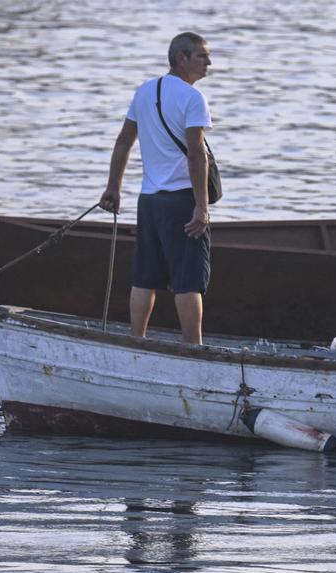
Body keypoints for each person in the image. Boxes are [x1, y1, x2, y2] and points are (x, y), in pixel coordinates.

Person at [99, 32, 214, 345]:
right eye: (202, 56)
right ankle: (194, 350)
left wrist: (113, 187)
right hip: (180, 200)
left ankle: (137, 342)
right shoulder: (193, 99)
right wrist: (201, 207)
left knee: (145, 277)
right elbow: (196, 153)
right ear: (182, 59)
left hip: (148, 200)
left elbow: (124, 141)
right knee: (188, 281)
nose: (209, 63)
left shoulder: (145, 90)